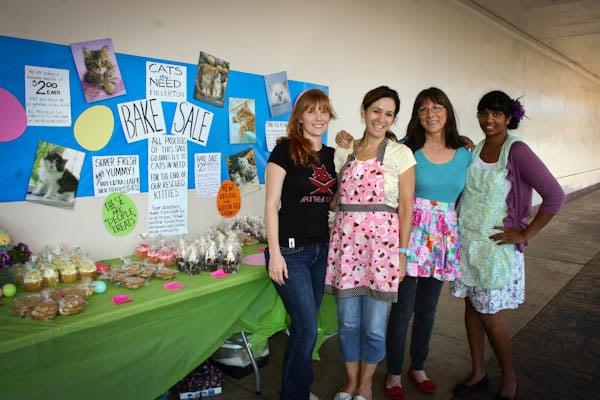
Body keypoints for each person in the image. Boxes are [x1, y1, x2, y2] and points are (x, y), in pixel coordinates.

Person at [336, 87, 471, 400]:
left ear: (448, 112)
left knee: (428, 310)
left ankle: (418, 366)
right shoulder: (408, 147)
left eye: (437, 108)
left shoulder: (466, 153)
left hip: (438, 239)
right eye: (423, 109)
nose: (431, 114)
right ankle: (393, 372)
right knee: (401, 310)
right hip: (404, 235)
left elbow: (477, 191)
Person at [450, 90, 565, 400]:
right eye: (484, 113)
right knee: (472, 309)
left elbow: (555, 195)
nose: (489, 120)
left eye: (496, 114)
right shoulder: (474, 150)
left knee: (489, 314)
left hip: (496, 249)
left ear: (509, 118)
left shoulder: (517, 151)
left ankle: (509, 377)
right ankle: (478, 372)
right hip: (468, 244)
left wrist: (525, 233)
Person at [325, 86, 416, 400]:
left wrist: (403, 255)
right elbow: (335, 195)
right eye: (376, 110)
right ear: (364, 110)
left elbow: (406, 207)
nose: (381, 118)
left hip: (383, 252)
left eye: (388, 113)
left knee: (375, 327)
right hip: (347, 248)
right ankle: (351, 381)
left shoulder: (401, 154)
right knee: (348, 323)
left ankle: (366, 383)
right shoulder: (344, 151)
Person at [264, 88, 338, 400]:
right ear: (300, 117)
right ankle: (295, 394)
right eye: (311, 111)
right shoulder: (284, 151)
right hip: (290, 252)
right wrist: (275, 255)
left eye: (324, 111)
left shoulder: (331, 155)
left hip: (320, 249)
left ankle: (296, 389)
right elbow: (271, 205)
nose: (318, 117)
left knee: (304, 326)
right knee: (307, 327)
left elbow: (329, 201)